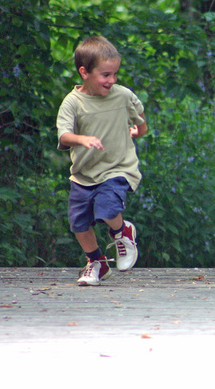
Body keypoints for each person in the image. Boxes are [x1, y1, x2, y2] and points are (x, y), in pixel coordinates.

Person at [56, 36, 148, 286]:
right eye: (106, 75)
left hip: (118, 167)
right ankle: (97, 262)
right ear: (84, 72)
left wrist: (137, 132)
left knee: (107, 207)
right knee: (78, 225)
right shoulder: (73, 102)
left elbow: (141, 122)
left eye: (115, 74)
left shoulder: (122, 96)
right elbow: (64, 135)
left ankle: (122, 232)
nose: (112, 80)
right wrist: (82, 139)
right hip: (83, 174)